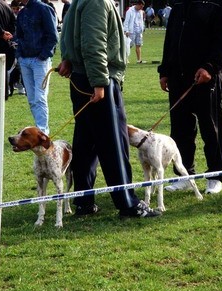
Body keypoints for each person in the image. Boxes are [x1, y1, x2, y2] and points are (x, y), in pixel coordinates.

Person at [57, 0, 161, 218]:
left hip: (83, 77)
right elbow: (93, 43)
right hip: (98, 80)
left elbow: (69, 33)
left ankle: (84, 202)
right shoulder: (96, 2)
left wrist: (67, 58)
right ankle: (128, 204)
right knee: (114, 144)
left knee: (85, 143)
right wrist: (99, 82)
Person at [158, 0, 222, 194]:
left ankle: (216, 175)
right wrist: (164, 70)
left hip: (206, 76)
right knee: (180, 128)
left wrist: (210, 66)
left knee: (211, 126)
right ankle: (184, 175)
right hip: (177, 75)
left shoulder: (220, 2)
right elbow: (171, 37)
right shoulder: (179, 4)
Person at [16, 0, 58, 135]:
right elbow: (19, 36)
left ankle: (42, 131)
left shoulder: (44, 9)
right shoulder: (22, 13)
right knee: (32, 98)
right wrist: (19, 55)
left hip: (40, 60)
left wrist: (43, 55)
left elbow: (53, 35)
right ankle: (39, 130)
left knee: (39, 97)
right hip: (25, 59)